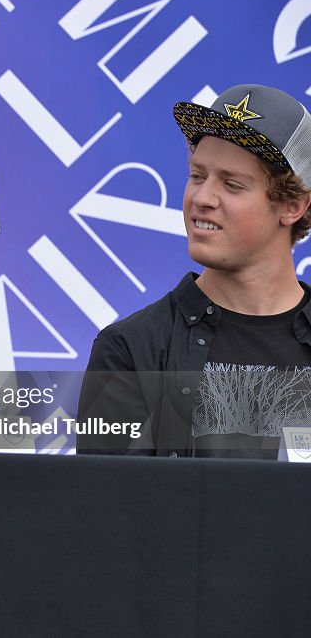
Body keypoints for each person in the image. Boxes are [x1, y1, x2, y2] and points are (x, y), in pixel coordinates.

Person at [78, 84, 311, 457]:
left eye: (232, 184)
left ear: (293, 206)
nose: (201, 198)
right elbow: (105, 509)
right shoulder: (129, 349)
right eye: (197, 175)